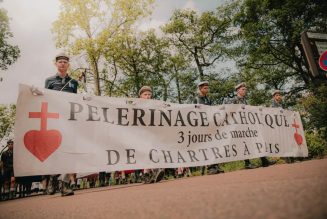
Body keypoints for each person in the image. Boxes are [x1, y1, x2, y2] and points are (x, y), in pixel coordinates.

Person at [45, 52, 78, 196]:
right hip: (54, 121)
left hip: (69, 121)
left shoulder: (73, 82)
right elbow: (45, 98)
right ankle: (52, 178)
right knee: (56, 152)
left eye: (65, 62)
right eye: (60, 62)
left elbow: (76, 101)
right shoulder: (49, 81)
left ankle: (64, 184)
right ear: (56, 64)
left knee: (68, 151)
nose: (63, 64)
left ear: (68, 65)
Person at [229, 83, 275, 168]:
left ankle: (264, 160)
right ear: (238, 90)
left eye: (245, 89)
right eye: (243, 89)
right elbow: (231, 111)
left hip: (248, 125)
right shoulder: (233, 100)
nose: (244, 91)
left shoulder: (245, 100)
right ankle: (247, 163)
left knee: (257, 141)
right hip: (239, 126)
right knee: (244, 144)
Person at [193, 81, 224, 175]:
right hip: (202, 127)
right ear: (200, 89)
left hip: (210, 125)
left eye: (207, 88)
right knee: (207, 146)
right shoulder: (196, 99)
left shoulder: (208, 99)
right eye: (205, 88)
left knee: (214, 145)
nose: (207, 89)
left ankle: (215, 165)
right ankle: (210, 167)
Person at [138, 86, 165, 183]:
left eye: (149, 94)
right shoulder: (136, 105)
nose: (148, 96)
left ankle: (147, 173)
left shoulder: (155, 105)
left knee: (152, 150)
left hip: (152, 132)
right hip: (141, 133)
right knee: (147, 151)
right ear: (140, 96)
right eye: (145, 94)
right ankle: (152, 170)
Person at [271, 90, 294, 163]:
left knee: (288, 140)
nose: (279, 96)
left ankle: (291, 157)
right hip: (278, 125)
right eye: (277, 95)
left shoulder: (282, 104)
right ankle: (286, 157)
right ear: (274, 97)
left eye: (279, 95)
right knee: (282, 141)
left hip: (284, 124)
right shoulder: (272, 105)